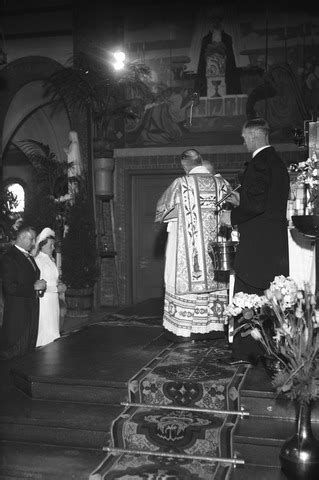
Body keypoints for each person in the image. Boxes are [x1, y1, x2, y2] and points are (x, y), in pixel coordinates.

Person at [220, 117, 290, 361]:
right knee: (269, 300)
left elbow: (258, 205)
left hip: (257, 245)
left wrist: (232, 216)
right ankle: (268, 350)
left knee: (245, 296)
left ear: (253, 136)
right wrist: (243, 202)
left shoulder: (258, 163)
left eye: (244, 137)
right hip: (274, 244)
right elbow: (267, 201)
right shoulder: (277, 163)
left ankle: (246, 353)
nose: (243, 142)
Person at [155, 148, 237, 342]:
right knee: (215, 284)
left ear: (184, 164)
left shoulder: (181, 184)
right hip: (217, 254)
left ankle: (184, 331)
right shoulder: (223, 184)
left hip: (188, 251)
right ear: (200, 161)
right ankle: (213, 329)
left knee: (186, 275)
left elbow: (161, 211)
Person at [0, 225, 47, 359]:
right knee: (15, 354)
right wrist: (34, 287)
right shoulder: (9, 257)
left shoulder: (29, 257)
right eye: (32, 239)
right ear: (21, 237)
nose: (34, 244)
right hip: (18, 314)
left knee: (28, 353)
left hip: (31, 309)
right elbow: (10, 287)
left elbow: (31, 279)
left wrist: (40, 287)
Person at [195, 10, 241, 97]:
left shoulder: (227, 38)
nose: (215, 23)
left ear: (220, 22)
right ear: (211, 22)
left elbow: (230, 58)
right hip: (209, 69)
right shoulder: (206, 39)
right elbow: (202, 60)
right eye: (213, 20)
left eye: (217, 20)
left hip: (224, 69)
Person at [33, 228, 65, 347]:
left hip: (53, 301)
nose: (53, 248)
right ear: (42, 246)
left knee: (53, 328)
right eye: (51, 245)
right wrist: (57, 289)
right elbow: (40, 286)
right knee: (46, 329)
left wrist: (59, 285)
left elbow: (52, 280)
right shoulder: (38, 261)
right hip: (44, 301)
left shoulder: (50, 260)